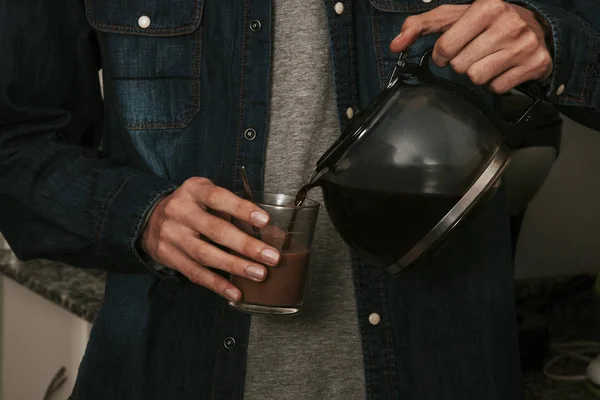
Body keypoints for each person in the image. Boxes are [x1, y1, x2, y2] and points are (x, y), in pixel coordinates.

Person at [0, 0, 598, 399]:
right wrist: (144, 217)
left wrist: (551, 37)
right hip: (169, 368)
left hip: (443, 366)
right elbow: (16, 140)